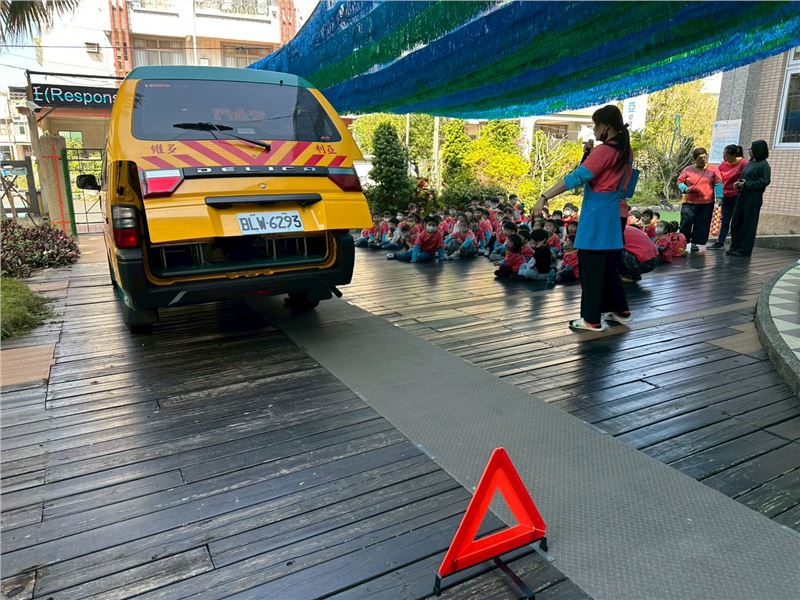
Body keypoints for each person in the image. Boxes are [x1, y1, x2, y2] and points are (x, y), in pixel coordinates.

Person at [533, 104, 633, 332]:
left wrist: (544, 196)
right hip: (614, 213)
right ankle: (621, 310)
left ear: (606, 126)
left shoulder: (605, 151)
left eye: (596, 125)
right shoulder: (625, 151)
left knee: (591, 268)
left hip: (597, 214)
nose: (594, 130)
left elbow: (576, 178)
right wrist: (589, 153)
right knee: (609, 267)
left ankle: (591, 319)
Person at [728, 140, 771, 257]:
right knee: (736, 222)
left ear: (758, 150)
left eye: (751, 148)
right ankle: (735, 247)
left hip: (753, 199)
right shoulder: (750, 163)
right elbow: (744, 178)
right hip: (742, 196)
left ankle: (744, 250)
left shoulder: (764, 165)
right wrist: (739, 183)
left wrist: (746, 184)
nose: (749, 150)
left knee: (748, 224)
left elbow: (764, 181)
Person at [677, 147, 723, 253]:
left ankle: (695, 244)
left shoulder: (713, 169)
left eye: (705, 157)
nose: (703, 160)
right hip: (689, 202)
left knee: (702, 224)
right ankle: (683, 243)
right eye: (700, 158)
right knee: (686, 222)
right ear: (695, 159)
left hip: (706, 202)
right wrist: (685, 189)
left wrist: (719, 197)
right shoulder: (687, 169)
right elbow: (680, 181)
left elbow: (718, 183)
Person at [710, 144, 748, 249]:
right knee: (724, 220)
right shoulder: (723, 165)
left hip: (737, 196)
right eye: (724, 154)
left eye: (726, 155)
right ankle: (720, 242)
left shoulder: (743, 163)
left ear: (734, 155)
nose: (724, 157)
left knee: (736, 220)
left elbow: (746, 178)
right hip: (725, 196)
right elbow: (718, 180)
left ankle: (736, 244)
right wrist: (719, 195)